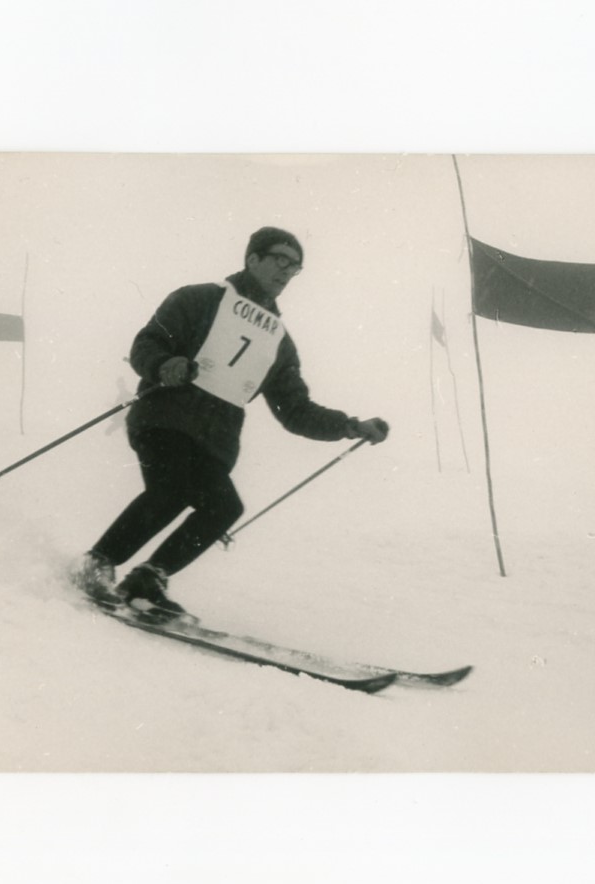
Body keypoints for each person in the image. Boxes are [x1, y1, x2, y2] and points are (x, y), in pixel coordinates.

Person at [72, 229, 390, 618]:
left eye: (295, 266)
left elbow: (295, 410)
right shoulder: (200, 299)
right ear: (252, 259)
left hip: (215, 440)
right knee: (170, 489)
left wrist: (350, 426)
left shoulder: (277, 340)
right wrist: (164, 365)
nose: (287, 271)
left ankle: (147, 580)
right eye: (280, 259)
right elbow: (147, 344)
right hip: (165, 416)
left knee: (224, 508)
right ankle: (97, 563)